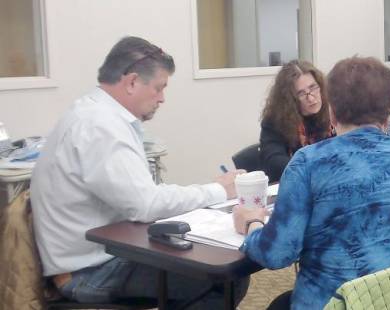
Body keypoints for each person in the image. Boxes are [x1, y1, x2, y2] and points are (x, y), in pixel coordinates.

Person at [30, 36, 249, 308]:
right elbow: (146, 205)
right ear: (132, 81)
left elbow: (141, 197)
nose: (162, 98)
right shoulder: (100, 127)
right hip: (89, 271)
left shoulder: (93, 112)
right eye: (159, 88)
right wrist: (219, 190)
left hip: (93, 256)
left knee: (208, 266)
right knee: (225, 277)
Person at [234, 56, 390, 309]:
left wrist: (252, 223)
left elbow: (277, 254)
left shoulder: (308, 163)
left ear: (332, 110)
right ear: (389, 110)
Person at [259, 60, 334, 182]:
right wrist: (315, 169)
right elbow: (274, 162)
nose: (311, 98)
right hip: (297, 185)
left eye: (313, 88)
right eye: (301, 94)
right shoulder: (275, 121)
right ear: (290, 99)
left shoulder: (332, 111)